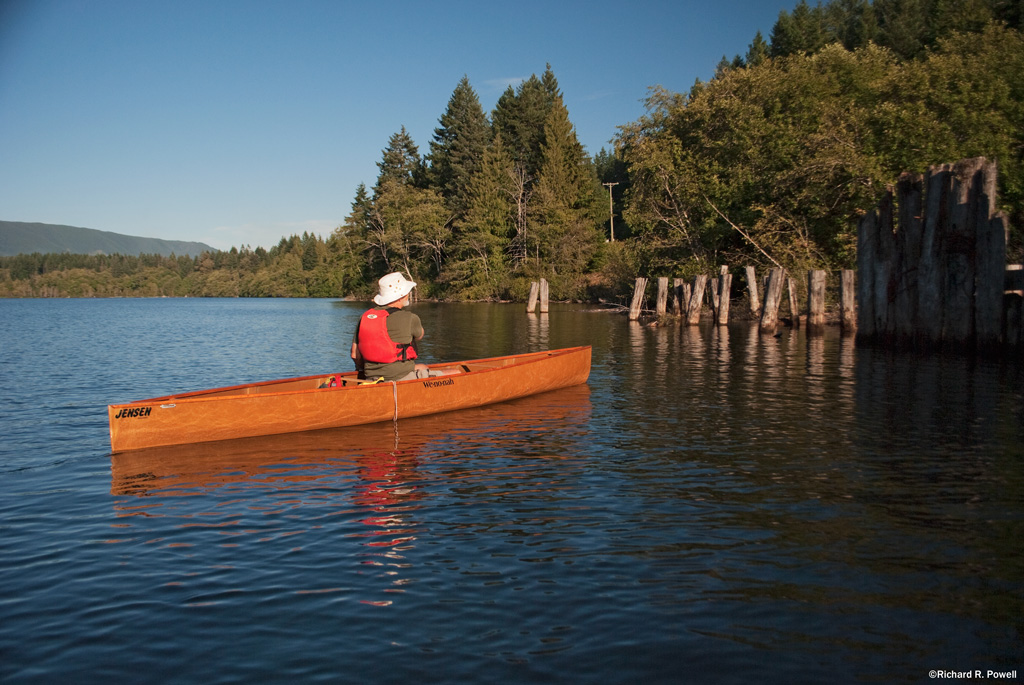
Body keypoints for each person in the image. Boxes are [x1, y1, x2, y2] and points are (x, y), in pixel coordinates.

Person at [350, 272, 433, 382]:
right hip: (399, 377)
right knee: (455, 372)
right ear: (402, 296)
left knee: (422, 367)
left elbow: (355, 354)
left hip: (371, 377)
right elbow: (419, 335)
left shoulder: (364, 317)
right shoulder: (411, 318)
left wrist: (367, 371)